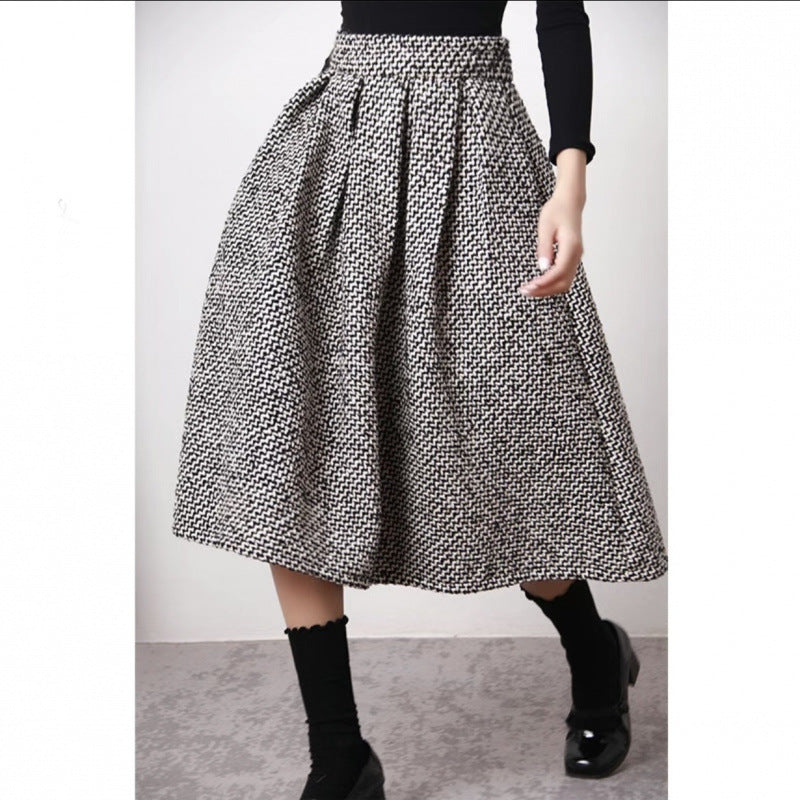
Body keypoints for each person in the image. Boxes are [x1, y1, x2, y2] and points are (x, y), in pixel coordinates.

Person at [171, 2, 668, 798]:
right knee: (299, 436)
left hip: (477, 148)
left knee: (503, 459)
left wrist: (569, 183)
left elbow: (561, 18)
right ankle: (340, 755)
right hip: (341, 145)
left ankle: (595, 652)